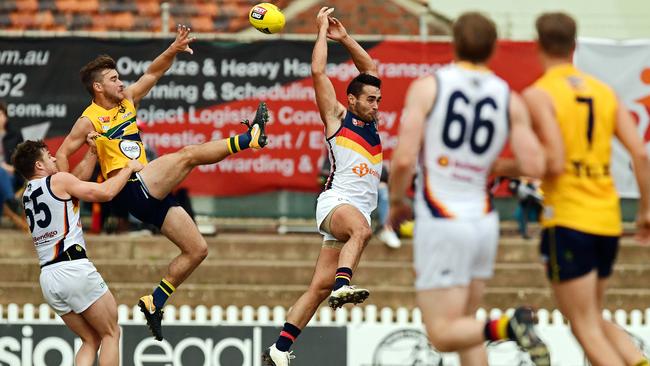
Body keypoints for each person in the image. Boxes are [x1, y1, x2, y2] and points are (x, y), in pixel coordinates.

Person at [55, 24, 269, 341]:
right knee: (187, 155)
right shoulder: (88, 118)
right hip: (130, 187)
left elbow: (153, 74)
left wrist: (174, 48)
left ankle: (154, 301)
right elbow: (61, 154)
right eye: (114, 78)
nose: (121, 81)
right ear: (98, 88)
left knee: (197, 249)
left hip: (148, 189)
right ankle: (249, 138)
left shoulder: (127, 101)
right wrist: (63, 194)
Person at [388, 12, 550, 365]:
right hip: (483, 221)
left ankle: (509, 327)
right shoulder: (509, 98)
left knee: (442, 333)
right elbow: (535, 166)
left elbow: (403, 160)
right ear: (494, 49)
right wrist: (498, 166)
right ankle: (502, 328)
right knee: (467, 324)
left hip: (442, 218)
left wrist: (397, 202)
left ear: (454, 43)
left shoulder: (430, 86)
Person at [523, 12, 650, 366]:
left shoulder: (539, 94)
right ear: (574, 45)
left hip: (568, 217)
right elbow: (640, 153)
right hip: (607, 219)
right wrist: (645, 211)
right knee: (592, 315)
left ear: (538, 45)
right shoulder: (603, 91)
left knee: (582, 324)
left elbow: (550, 162)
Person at [263, 8, 382, 366]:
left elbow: (370, 68)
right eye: (370, 99)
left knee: (317, 288)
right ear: (352, 100)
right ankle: (344, 284)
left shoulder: (371, 122)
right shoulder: (337, 117)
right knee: (362, 231)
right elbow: (318, 72)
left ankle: (279, 349)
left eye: (378, 99)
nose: (376, 105)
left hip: (353, 209)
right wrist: (319, 31)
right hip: (336, 202)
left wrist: (344, 38)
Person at [12, 139, 144, 366]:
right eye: (48, 156)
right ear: (39, 166)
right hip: (73, 268)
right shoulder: (59, 181)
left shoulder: (27, 194)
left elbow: (74, 181)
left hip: (49, 278)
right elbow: (106, 192)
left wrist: (93, 152)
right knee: (111, 333)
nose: (54, 158)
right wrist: (129, 168)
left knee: (90, 339)